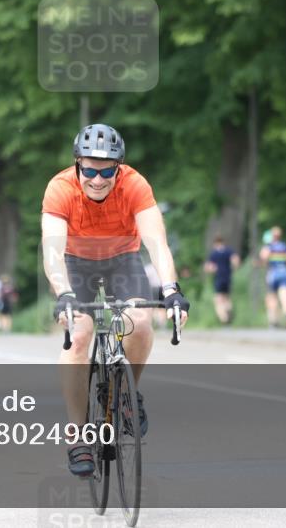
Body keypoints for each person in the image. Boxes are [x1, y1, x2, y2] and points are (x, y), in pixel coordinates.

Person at [42, 123, 189, 478]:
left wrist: (170, 290)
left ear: (118, 168)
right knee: (78, 334)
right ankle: (77, 435)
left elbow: (156, 242)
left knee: (138, 322)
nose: (97, 179)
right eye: (89, 169)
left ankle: (127, 394)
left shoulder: (134, 184)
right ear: (77, 164)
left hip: (122, 259)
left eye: (106, 170)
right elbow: (52, 252)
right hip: (75, 263)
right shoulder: (60, 188)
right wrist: (63, 294)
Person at [259, 226, 286, 327]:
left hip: (273, 273)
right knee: (285, 293)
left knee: (272, 296)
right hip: (284, 272)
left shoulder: (268, 247)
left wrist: (265, 263)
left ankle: (273, 320)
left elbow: (263, 258)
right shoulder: (285, 246)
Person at [204, 236, 240, 325]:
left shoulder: (214, 253)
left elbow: (208, 267)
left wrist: (212, 270)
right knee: (226, 297)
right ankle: (229, 310)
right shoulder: (229, 251)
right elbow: (236, 260)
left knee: (218, 299)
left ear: (215, 243)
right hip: (228, 277)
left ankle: (224, 319)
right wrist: (233, 268)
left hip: (219, 277)